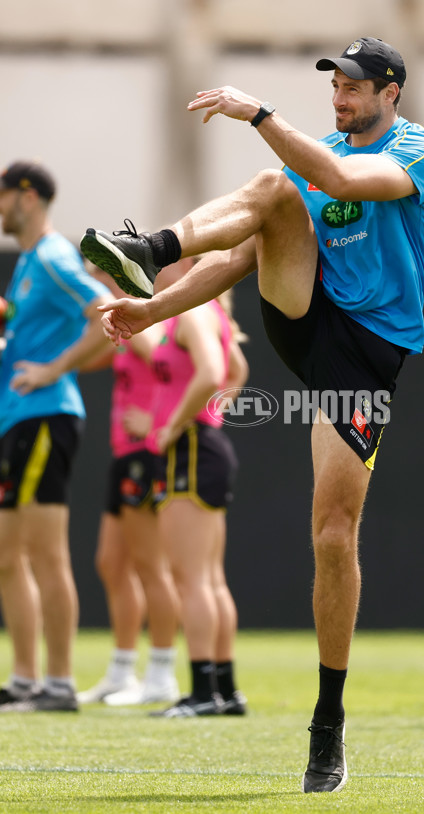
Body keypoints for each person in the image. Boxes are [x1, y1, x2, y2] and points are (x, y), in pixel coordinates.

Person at [80, 36, 424, 791]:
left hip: (366, 354)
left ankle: (328, 724)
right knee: (272, 193)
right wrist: (153, 308)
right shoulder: (309, 152)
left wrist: (260, 113)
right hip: (306, 315)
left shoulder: (422, 153)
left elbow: (343, 175)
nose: (340, 97)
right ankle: (148, 244)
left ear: (391, 93)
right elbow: (242, 253)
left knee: (332, 535)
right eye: (335, 85)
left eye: (353, 86)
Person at [0, 160, 111, 712]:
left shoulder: (53, 255)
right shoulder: (26, 264)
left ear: (26, 196)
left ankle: (60, 683)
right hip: (17, 419)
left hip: (46, 415)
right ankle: (24, 679)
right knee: (6, 555)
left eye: (2, 195)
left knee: (45, 554)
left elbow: (105, 315)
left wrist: (52, 369)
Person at [145, 259, 249, 717]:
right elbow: (236, 369)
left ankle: (204, 692)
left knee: (190, 579)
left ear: (187, 266)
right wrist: (213, 411)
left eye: (161, 263)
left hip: (189, 448)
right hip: (203, 445)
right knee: (208, 578)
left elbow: (212, 373)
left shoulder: (192, 312)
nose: (153, 270)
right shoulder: (210, 312)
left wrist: (173, 423)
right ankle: (225, 690)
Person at [77, 269, 180, 706]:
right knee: (111, 562)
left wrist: (156, 423)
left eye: (101, 271)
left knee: (149, 565)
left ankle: (162, 671)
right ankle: (122, 670)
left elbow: (168, 364)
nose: (94, 277)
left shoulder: (141, 324)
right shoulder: (118, 322)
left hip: (143, 453)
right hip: (124, 454)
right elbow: (84, 357)